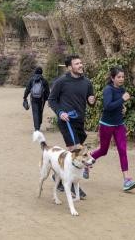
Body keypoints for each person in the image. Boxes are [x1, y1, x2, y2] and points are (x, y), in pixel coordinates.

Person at [48, 55, 95, 198]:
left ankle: (58, 179)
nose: (80, 65)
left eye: (81, 62)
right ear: (69, 67)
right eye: (77, 63)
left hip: (80, 121)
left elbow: (90, 100)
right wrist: (60, 112)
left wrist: (92, 101)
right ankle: (74, 187)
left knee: (78, 149)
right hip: (66, 121)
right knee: (75, 151)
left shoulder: (87, 82)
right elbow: (52, 100)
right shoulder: (61, 82)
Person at [90, 66, 135, 192]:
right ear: (112, 78)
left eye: (123, 77)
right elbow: (107, 106)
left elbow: (117, 105)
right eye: (119, 77)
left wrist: (123, 108)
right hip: (106, 125)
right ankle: (88, 159)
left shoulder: (122, 89)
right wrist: (122, 100)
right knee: (103, 150)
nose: (121, 79)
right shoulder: (108, 90)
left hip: (119, 125)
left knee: (123, 150)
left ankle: (127, 180)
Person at [23, 67, 50, 131]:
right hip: (42, 99)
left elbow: (27, 89)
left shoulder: (32, 80)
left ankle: (36, 128)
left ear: (35, 72)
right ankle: (39, 125)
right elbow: (47, 91)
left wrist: (25, 97)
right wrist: (48, 99)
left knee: (35, 113)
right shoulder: (44, 80)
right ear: (41, 73)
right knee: (40, 112)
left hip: (34, 98)